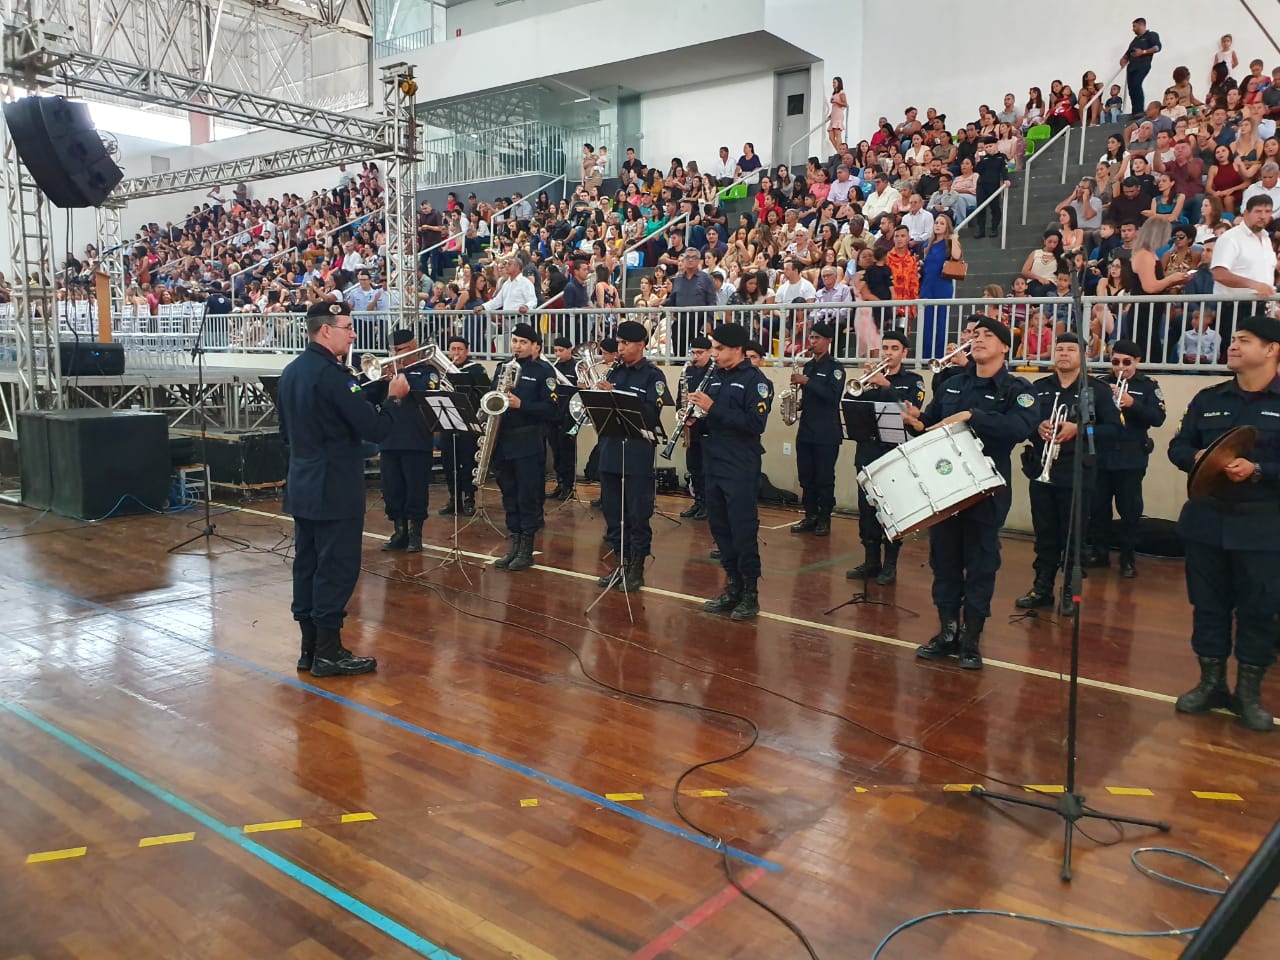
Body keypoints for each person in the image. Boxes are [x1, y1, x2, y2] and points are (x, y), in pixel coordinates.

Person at [277, 301, 409, 677]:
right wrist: (395, 397)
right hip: (334, 487)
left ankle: (310, 649)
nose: (353, 334)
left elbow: (289, 431)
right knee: (336, 568)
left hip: (303, 483)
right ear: (325, 331)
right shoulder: (334, 375)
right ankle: (330, 652)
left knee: (308, 564)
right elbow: (376, 429)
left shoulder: (291, 372)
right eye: (347, 327)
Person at [1167, 310, 1280, 732]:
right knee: (1208, 607)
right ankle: (1210, 683)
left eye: (1245, 340)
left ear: (1272, 350)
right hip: (1207, 521)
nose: (1233, 345)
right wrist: (1195, 457)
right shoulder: (1208, 398)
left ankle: (1247, 694)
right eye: (1233, 339)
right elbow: (1178, 445)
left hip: (1263, 526)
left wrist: (1260, 471)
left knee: (1259, 611)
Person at [902, 318, 1038, 669]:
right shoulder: (951, 384)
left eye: (987, 336)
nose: (977, 340)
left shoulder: (1017, 389)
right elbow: (929, 425)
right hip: (946, 487)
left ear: (1005, 347)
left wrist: (972, 415)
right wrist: (917, 422)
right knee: (944, 561)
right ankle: (947, 632)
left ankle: (972, 639)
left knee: (980, 564)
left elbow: (1019, 428)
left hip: (987, 489)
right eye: (974, 335)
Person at [1014, 336, 1122, 616]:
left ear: (1084, 356)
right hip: (1042, 468)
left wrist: (1080, 430)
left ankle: (1070, 591)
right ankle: (1043, 586)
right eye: (1059, 349)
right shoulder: (1038, 389)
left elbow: (1114, 431)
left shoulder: (1096, 390)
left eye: (1071, 350)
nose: (1063, 354)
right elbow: (1021, 425)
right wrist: (1036, 427)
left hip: (1077, 470)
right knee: (1045, 532)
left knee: (1074, 535)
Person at [686, 323, 773, 621]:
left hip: (740, 462)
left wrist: (713, 407)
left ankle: (750, 593)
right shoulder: (713, 377)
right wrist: (694, 419)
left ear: (737, 349)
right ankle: (732, 585)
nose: (715, 354)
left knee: (742, 528)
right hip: (713, 460)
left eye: (720, 349)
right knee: (720, 528)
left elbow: (754, 425)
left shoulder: (756, 381)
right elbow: (712, 420)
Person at [593, 321, 668, 592]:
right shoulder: (615, 371)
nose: (620, 349)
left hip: (636, 453)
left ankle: (636, 568)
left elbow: (650, 414)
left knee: (637, 513)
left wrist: (616, 396)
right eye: (619, 343)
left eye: (625, 344)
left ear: (640, 345)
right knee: (613, 512)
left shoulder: (653, 376)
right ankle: (620, 563)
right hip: (611, 449)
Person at [846, 330, 925, 585]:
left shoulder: (914, 381)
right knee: (866, 508)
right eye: (885, 348)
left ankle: (890, 564)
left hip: (895, 452)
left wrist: (887, 386)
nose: (888, 353)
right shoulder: (870, 378)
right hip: (868, 449)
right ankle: (870, 561)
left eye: (893, 348)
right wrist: (863, 382)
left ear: (904, 353)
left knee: (892, 509)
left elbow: (912, 412)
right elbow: (851, 404)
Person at [1086, 339, 1166, 577]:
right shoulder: (1101, 384)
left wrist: (1132, 403)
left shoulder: (1148, 386)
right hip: (1102, 455)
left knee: (1130, 510)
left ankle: (1127, 557)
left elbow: (1158, 418)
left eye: (1126, 362)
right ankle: (1100, 552)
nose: (1120, 367)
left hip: (1131, 458)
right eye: (1115, 361)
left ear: (1137, 362)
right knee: (1098, 507)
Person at [487, 322, 559, 572]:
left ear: (535, 346)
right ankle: (514, 544)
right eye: (515, 341)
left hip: (528, 443)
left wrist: (522, 404)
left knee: (527, 497)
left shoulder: (543, 372)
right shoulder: (502, 367)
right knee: (509, 496)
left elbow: (552, 410)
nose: (517, 346)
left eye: (523, 342)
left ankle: (526, 549)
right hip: (504, 441)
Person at [364, 328, 439, 554]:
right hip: (389, 439)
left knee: (416, 489)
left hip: (416, 440)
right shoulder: (387, 375)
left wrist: (403, 383)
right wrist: (379, 380)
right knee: (392, 489)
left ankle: (416, 534)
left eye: (399, 350)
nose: (395, 355)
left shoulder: (427, 371)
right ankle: (399, 531)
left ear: (413, 348)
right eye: (391, 351)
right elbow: (368, 398)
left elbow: (428, 394)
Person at [789, 321, 845, 537]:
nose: (812, 342)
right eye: (811, 338)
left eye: (817, 338)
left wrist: (807, 381)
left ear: (828, 341)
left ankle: (824, 519)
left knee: (824, 478)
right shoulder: (809, 365)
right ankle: (809, 516)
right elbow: (810, 396)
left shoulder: (836, 368)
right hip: (806, 430)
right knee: (807, 476)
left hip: (827, 432)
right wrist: (798, 403)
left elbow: (832, 397)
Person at [438, 336, 485, 518]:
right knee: (449, 461)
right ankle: (454, 498)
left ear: (467, 351)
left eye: (459, 349)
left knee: (467, 461)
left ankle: (470, 499)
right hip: (448, 422)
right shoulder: (444, 369)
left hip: (467, 422)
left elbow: (482, 394)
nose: (456, 353)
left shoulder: (476, 370)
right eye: (453, 349)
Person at [679, 336, 714, 520]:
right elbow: (681, 396)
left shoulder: (715, 372)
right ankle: (698, 501)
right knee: (693, 467)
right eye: (692, 352)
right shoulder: (688, 371)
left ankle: (708, 504)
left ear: (709, 352)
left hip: (708, 427)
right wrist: (681, 412)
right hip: (691, 427)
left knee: (707, 468)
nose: (695, 356)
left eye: (699, 353)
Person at [547, 336, 579, 500]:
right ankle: (560, 484)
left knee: (567, 451)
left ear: (569, 350)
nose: (558, 354)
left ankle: (569, 486)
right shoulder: (554, 367)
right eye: (556, 351)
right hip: (555, 413)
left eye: (561, 350)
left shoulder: (577, 367)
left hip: (570, 414)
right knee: (556, 451)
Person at [1121, 17, 1162, 116]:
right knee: (1131, 88)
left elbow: (1157, 47)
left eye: (1134, 26)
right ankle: (1135, 111)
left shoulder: (1151, 35)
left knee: (1136, 84)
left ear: (1141, 25)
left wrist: (1143, 52)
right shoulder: (1135, 40)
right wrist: (1124, 58)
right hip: (1131, 67)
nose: (1133, 29)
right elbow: (1128, 52)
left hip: (1142, 65)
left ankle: (1139, 110)